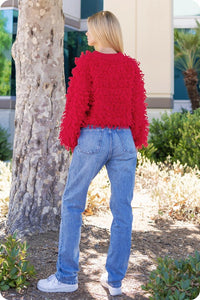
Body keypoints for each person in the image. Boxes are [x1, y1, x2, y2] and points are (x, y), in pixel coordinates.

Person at [37, 10, 149, 296]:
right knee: (122, 211)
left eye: (89, 30)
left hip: (94, 137)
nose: (87, 34)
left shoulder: (87, 63)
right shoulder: (131, 67)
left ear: (100, 32)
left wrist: (69, 138)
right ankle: (114, 282)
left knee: (73, 203)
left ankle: (66, 277)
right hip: (124, 139)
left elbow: (77, 105)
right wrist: (135, 140)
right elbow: (139, 110)